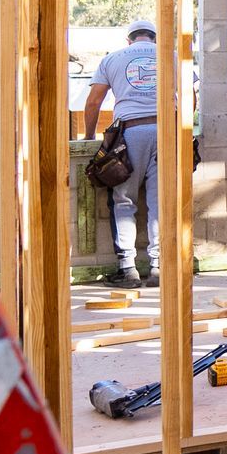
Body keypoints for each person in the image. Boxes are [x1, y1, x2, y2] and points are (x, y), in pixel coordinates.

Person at [84, 19, 160, 288]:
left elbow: (94, 101)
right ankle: (158, 268)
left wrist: (90, 137)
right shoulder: (171, 54)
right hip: (167, 130)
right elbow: (192, 95)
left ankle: (127, 269)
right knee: (160, 202)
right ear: (153, 38)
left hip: (131, 133)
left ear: (129, 40)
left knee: (123, 200)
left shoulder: (112, 59)